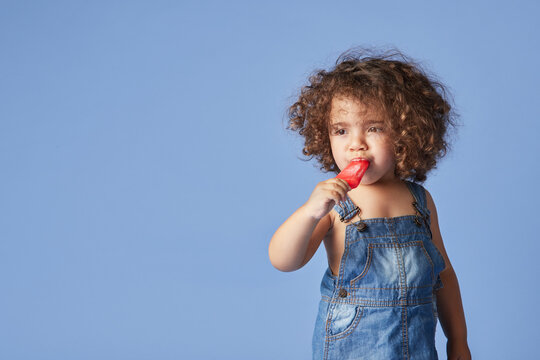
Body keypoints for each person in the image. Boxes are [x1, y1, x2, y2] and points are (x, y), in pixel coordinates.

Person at [268, 47, 471, 360]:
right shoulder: (334, 203)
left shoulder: (419, 200)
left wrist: (457, 341)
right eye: (341, 130)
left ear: (407, 133)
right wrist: (310, 213)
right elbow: (284, 261)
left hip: (416, 345)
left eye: (374, 128)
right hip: (351, 347)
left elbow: (443, 275)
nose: (356, 143)